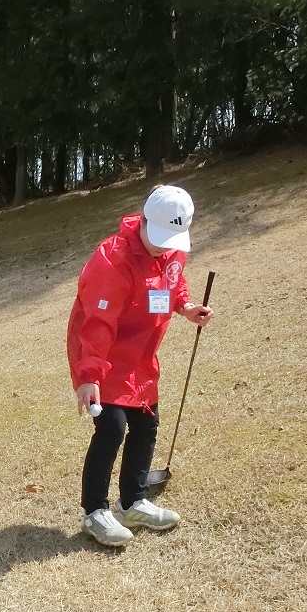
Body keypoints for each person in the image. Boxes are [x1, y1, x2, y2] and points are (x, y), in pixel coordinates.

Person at [67, 185, 213, 548]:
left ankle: (133, 502)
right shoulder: (112, 260)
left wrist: (185, 307)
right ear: (143, 221)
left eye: (170, 240)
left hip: (141, 356)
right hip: (101, 352)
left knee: (146, 424)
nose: (163, 248)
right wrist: (89, 375)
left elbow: (174, 281)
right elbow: (98, 323)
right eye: (158, 238)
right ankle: (94, 511)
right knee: (112, 427)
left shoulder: (173, 247)